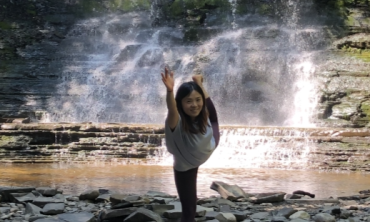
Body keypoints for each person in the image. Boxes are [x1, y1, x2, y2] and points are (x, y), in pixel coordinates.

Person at [161, 67, 220, 222]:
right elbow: (171, 109)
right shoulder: (176, 121)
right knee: (189, 211)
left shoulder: (202, 116)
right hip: (186, 164)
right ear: (180, 103)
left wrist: (199, 96)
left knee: (212, 118)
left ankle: (198, 83)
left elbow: (207, 113)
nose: (194, 105)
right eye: (188, 101)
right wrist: (169, 91)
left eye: (197, 99)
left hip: (210, 143)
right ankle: (198, 83)